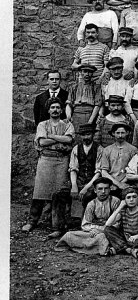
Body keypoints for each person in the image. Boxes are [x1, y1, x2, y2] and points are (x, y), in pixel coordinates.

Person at [22, 97, 74, 233]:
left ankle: (57, 224)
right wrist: (59, 140)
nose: (55, 110)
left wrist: (51, 136)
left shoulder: (67, 124)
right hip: (45, 159)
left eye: (58, 107)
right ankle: (32, 221)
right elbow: (42, 143)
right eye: (53, 108)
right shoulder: (42, 125)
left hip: (62, 161)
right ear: (48, 110)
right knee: (39, 191)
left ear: (62, 110)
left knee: (59, 193)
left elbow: (69, 139)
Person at [54, 177, 119, 255]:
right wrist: (93, 230)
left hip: (109, 232)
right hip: (93, 232)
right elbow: (85, 224)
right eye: (100, 189)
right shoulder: (92, 204)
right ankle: (99, 247)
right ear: (95, 190)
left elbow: (117, 223)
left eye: (106, 188)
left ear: (110, 189)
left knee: (101, 237)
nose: (103, 192)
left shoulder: (115, 201)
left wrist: (101, 230)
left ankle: (101, 248)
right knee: (69, 235)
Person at [60, 123, 103, 232]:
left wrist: (86, 188)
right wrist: (74, 185)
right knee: (59, 195)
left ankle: (81, 225)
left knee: (88, 196)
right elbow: (73, 168)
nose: (86, 137)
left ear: (93, 135)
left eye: (88, 134)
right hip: (78, 180)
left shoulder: (99, 149)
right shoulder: (76, 148)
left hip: (93, 182)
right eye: (83, 135)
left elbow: (98, 171)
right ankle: (58, 226)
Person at [103, 187, 138, 258]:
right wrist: (119, 207)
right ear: (124, 200)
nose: (131, 200)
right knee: (107, 229)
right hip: (126, 238)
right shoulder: (123, 211)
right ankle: (129, 250)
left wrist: (136, 236)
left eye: (134, 197)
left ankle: (122, 249)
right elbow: (108, 224)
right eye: (128, 197)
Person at [98, 123, 137, 197]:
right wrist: (117, 184)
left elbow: (133, 170)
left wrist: (122, 183)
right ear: (113, 133)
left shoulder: (133, 150)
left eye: (122, 133)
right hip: (110, 183)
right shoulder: (107, 150)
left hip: (127, 183)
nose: (120, 136)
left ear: (127, 133)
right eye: (118, 133)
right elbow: (104, 171)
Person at [66, 63, 102, 129]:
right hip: (76, 114)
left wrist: (90, 121)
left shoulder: (96, 87)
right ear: (80, 72)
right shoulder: (74, 87)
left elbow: (97, 105)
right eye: (85, 71)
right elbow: (69, 104)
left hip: (90, 114)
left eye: (90, 72)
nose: (87, 74)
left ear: (92, 73)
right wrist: (68, 116)